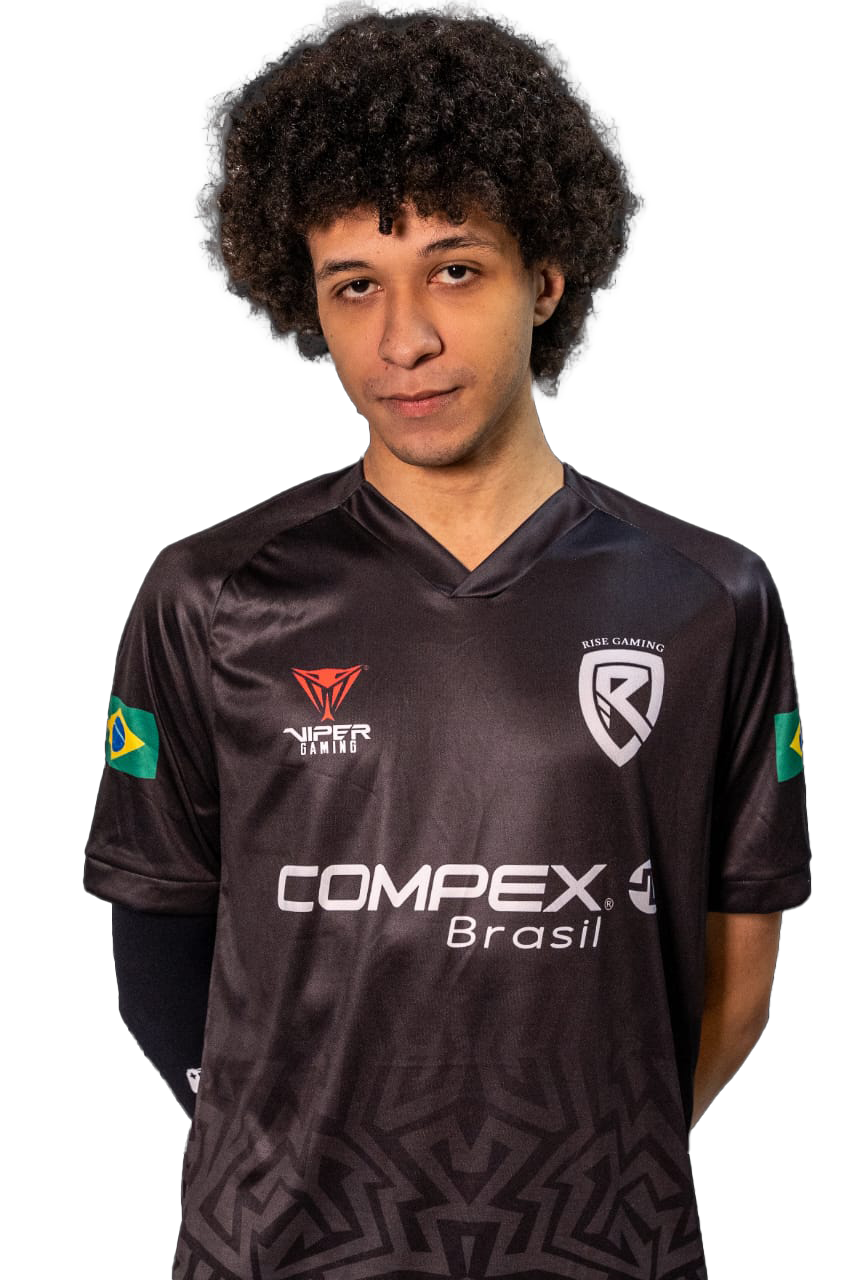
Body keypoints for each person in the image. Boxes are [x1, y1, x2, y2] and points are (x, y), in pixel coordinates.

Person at [83, 4, 812, 1278]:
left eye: (456, 271)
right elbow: (154, 957)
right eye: (355, 285)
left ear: (546, 276)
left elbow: (738, 987)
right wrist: (297, 1160)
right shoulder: (209, 593)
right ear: (307, 301)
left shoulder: (712, 595)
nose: (403, 339)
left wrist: (590, 1169)